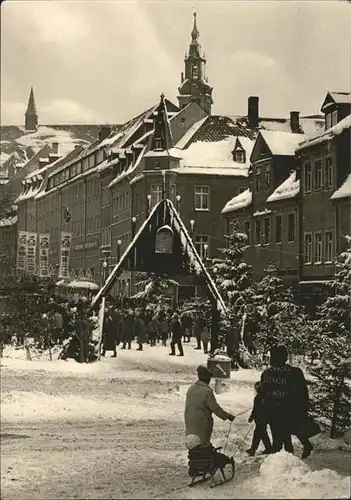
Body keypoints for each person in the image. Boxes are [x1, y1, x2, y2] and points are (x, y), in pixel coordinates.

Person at [260, 345, 310, 455]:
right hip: (283, 410)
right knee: (285, 435)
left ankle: (283, 460)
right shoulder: (294, 372)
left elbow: (262, 393)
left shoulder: (267, 373)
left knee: (279, 440)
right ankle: (289, 456)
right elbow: (303, 392)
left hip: (279, 410)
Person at [185, 365, 235, 445]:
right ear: (207, 379)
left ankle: (193, 456)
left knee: (192, 442)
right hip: (202, 422)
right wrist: (228, 416)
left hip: (189, 420)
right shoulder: (207, 391)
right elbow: (215, 408)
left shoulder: (191, 388)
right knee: (202, 443)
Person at [246, 381, 272, 456]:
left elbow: (258, 409)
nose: (256, 390)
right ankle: (268, 448)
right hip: (260, 419)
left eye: (257, 388)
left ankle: (253, 449)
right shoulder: (260, 397)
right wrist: (252, 417)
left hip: (261, 420)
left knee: (258, 433)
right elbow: (255, 409)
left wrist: (252, 417)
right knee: (262, 434)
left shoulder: (263, 398)